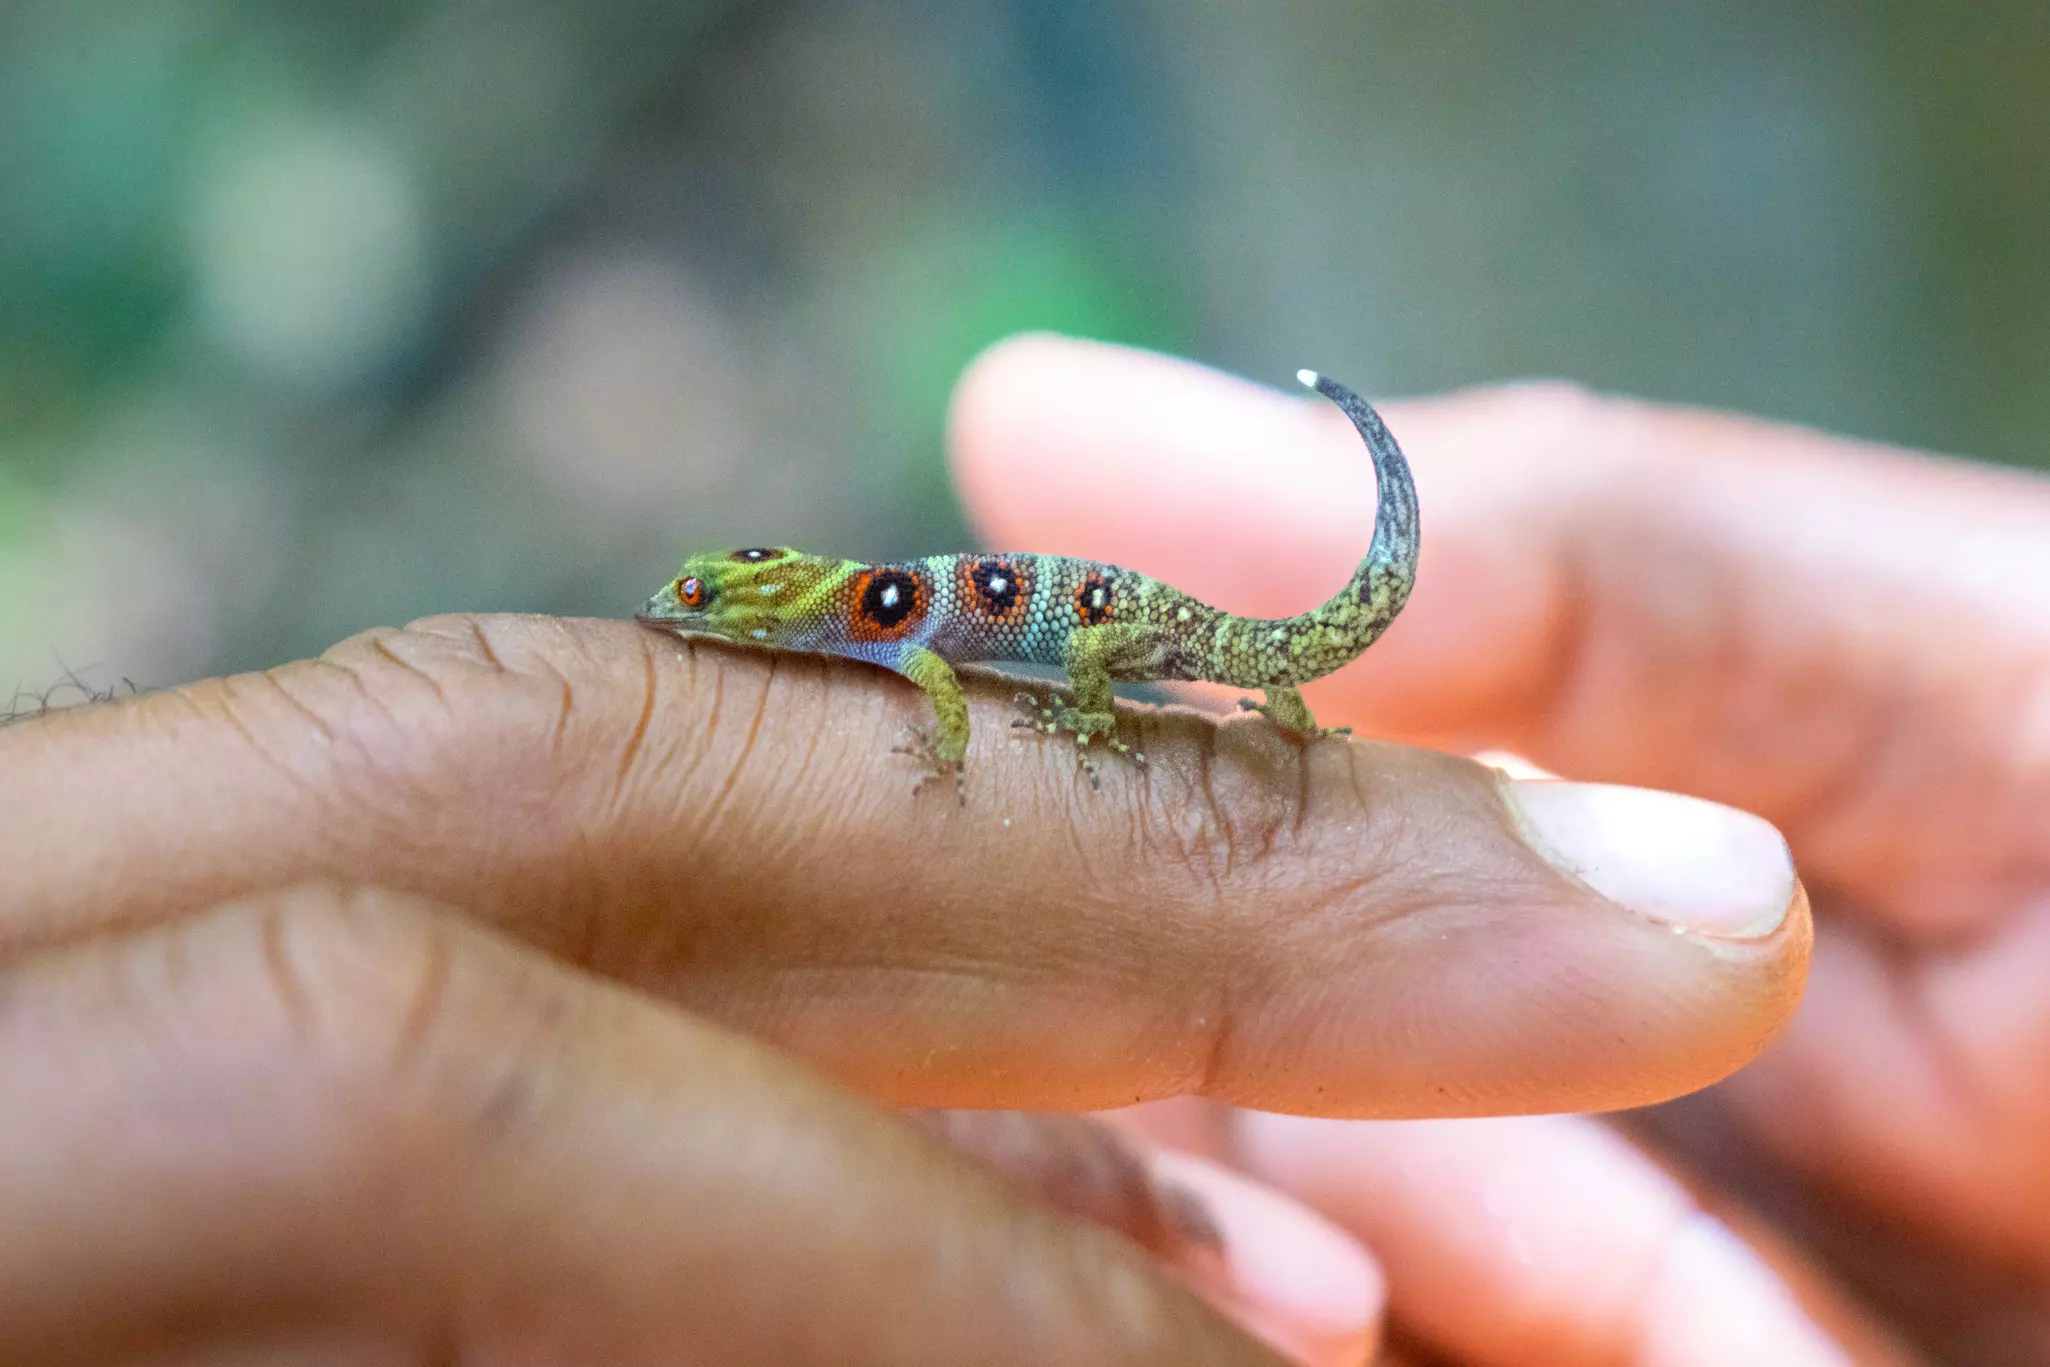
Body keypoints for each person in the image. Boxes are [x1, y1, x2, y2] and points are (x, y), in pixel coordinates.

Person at [0, 334, 2033, 1365]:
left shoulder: (882, 629)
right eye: (708, 593)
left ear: (775, 587)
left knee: (1231, 684)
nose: (699, 605)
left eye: (724, 586)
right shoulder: (851, 623)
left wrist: (1058, 715)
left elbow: (972, 677)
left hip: (1157, 648)